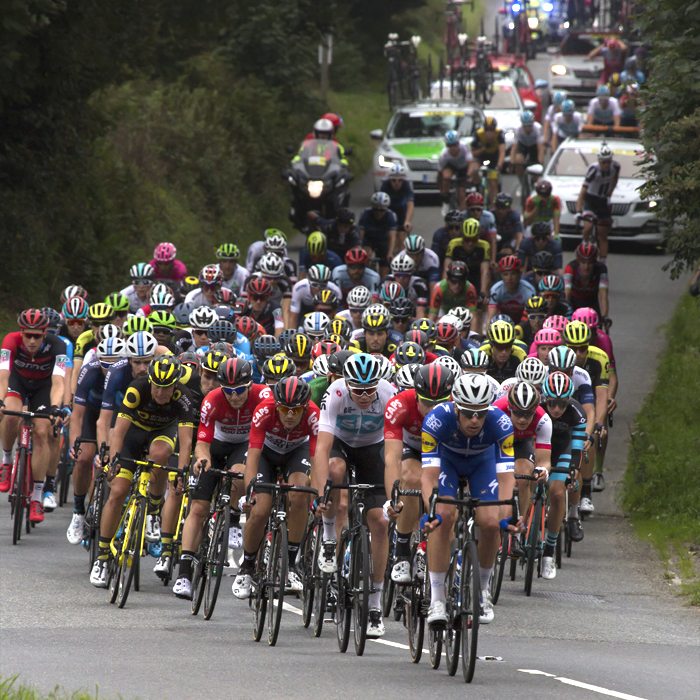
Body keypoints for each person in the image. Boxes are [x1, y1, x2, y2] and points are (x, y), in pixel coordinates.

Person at [89, 356, 195, 588]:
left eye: (166, 387)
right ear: (150, 380)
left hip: (163, 432)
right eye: (156, 385)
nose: (160, 391)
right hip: (133, 433)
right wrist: (114, 461)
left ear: (175, 384)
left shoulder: (183, 397)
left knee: (159, 455)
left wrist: (181, 473)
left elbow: (186, 444)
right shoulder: (136, 389)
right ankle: (103, 557)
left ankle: (154, 511)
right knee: (118, 492)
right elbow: (118, 431)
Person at [171, 358, 272, 598]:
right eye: (228, 391)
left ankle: (234, 517)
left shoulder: (263, 395)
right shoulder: (213, 399)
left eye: (239, 391)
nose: (234, 397)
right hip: (216, 447)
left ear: (249, 385)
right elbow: (202, 443)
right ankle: (184, 573)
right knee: (198, 508)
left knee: (239, 470)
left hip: (246, 446)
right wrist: (202, 460)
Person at [421, 373, 515, 626]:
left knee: (492, 523)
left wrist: (508, 515)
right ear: (456, 407)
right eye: (468, 413)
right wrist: (431, 510)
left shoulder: (502, 423)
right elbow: (428, 476)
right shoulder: (436, 419)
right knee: (445, 517)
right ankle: (437, 600)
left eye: (481, 413)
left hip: (482, 463)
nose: (475, 420)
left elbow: (507, 479)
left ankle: (482, 591)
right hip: (447, 462)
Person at [314, 353, 398, 638]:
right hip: (341, 444)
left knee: (381, 522)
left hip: (373, 449)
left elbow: (394, 449)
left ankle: (374, 605)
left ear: (379, 384)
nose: (364, 395)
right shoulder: (335, 392)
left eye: (369, 389)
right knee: (335, 469)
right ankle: (328, 536)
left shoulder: (388, 393)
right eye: (358, 389)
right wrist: (320, 493)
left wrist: (392, 495)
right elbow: (322, 449)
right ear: (347, 384)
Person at [232, 376, 319, 598]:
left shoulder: (313, 415)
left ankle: (290, 566)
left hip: (296, 453)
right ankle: (247, 567)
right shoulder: (264, 411)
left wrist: (318, 495)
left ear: (305, 407)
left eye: (296, 410)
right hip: (266, 455)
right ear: (277, 405)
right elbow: (252, 457)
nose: (290, 415)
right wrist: (251, 491)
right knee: (260, 510)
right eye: (285, 409)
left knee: (300, 494)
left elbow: (318, 459)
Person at [383, 363, 455, 583]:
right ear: (416, 396)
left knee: (446, 501)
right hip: (411, 448)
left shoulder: (456, 408)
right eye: (427, 403)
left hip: (441, 450)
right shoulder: (399, 405)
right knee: (412, 478)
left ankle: (431, 551)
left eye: (439, 403)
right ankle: (402, 549)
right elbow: (392, 458)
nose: (433, 409)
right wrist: (392, 500)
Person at [0, 311, 69, 524]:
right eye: (27, 335)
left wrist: (56, 407)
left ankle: (38, 495)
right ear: (21, 332)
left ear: (44, 334)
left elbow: (58, 382)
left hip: (44, 387)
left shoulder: (57, 345)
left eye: (37, 336)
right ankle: (7, 460)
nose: (31, 341)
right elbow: (3, 377)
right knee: (10, 416)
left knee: (41, 432)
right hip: (17, 382)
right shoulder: (10, 341)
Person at [65, 337, 125, 544]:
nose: (109, 369)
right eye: (104, 364)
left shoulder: (126, 371)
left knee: (112, 459)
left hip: (115, 414)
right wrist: (74, 446)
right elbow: (77, 416)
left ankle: (104, 508)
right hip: (92, 413)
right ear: (97, 359)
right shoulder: (89, 371)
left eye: (114, 363)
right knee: (83, 458)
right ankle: (79, 511)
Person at [540, 371, 587, 579]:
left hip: (562, 450)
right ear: (544, 398)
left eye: (561, 404)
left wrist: (573, 473)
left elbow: (576, 451)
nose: (556, 409)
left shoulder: (577, 413)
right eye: (551, 403)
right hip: (540, 448)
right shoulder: (536, 408)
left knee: (557, 492)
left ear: (568, 401)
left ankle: (548, 552)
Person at [575, 145, 620, 263]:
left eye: (608, 162)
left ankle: (603, 263)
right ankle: (584, 241)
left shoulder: (615, 167)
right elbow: (582, 192)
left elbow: (615, 180)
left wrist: (609, 194)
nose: (606, 165)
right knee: (588, 226)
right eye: (603, 162)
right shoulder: (593, 170)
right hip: (591, 200)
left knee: (602, 234)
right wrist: (578, 211)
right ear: (599, 161)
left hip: (603, 201)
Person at [443, 217, 491, 308]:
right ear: (462, 237)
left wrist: (483, 292)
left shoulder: (484, 246)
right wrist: (444, 289)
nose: (470, 243)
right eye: (467, 240)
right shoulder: (453, 244)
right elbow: (446, 268)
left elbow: (485, 271)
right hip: (458, 275)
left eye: (473, 240)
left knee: (481, 303)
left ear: (478, 238)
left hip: (476, 274)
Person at [288, 264, 342, 332]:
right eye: (315, 285)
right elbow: (293, 317)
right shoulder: (299, 288)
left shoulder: (335, 291)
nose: (318, 289)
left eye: (322, 285)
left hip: (326, 310)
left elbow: (337, 317)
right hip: (304, 309)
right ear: (309, 281)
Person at [564, 243, 610, 318]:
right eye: (583, 262)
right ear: (578, 261)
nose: (586, 267)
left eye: (590, 263)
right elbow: (567, 293)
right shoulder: (570, 268)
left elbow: (603, 294)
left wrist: (605, 316)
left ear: (595, 262)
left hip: (592, 302)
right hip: (573, 302)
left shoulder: (601, 269)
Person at [358, 192, 398, 277]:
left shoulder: (391, 216)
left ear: (386, 209)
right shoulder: (366, 214)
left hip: (383, 241)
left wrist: (390, 253)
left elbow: (392, 237)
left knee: (384, 273)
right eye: (376, 210)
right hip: (369, 239)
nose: (378, 213)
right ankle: (366, 276)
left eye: (382, 210)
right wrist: (359, 249)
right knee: (365, 255)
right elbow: (360, 234)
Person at [487, 255, 536, 324]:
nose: (509, 278)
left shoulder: (529, 291)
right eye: (505, 274)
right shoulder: (496, 290)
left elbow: (531, 319)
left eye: (513, 274)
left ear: (520, 274)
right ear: (501, 276)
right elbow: (491, 318)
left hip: (524, 324)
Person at [469, 117, 506, 207]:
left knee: (493, 182)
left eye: (492, 130)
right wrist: (483, 149)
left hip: (494, 158)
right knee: (474, 169)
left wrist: (499, 166)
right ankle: (477, 186)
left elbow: (502, 152)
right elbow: (472, 153)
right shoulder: (478, 134)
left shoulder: (499, 134)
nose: (489, 133)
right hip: (482, 157)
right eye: (487, 130)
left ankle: (493, 207)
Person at [438, 130, 472, 214]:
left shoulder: (464, 147)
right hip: (451, 167)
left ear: (458, 143)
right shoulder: (444, 155)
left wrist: (468, 175)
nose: (453, 148)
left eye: (455, 145)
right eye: (449, 145)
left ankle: (463, 215)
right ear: (446, 145)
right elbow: (439, 172)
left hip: (463, 167)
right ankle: (446, 201)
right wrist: (442, 190)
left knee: (461, 195)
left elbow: (470, 163)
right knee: (446, 177)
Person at [380, 163, 415, 236]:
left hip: (401, 211)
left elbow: (410, 205)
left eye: (400, 180)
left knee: (401, 237)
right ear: (389, 180)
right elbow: (380, 204)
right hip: (388, 210)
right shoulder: (385, 184)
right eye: (393, 180)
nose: (397, 183)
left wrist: (407, 221)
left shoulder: (407, 184)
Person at [510, 111, 545, 180]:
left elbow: (540, 148)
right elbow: (514, 147)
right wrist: (511, 162)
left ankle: (535, 181)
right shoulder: (517, 129)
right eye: (525, 126)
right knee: (518, 160)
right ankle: (522, 181)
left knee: (537, 166)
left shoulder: (538, 128)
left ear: (533, 123)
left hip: (534, 146)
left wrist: (540, 162)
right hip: (523, 145)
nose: (527, 128)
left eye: (529, 125)